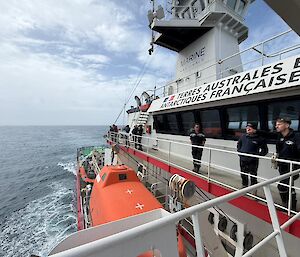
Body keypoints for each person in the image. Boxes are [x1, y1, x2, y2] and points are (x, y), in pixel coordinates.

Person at [275, 117, 300, 210]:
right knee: (288, 186)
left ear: (287, 125)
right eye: (276, 124)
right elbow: (279, 150)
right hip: (282, 166)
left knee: (283, 186)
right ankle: (288, 206)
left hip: (293, 166)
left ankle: (289, 207)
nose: (276, 126)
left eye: (279, 124)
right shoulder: (279, 136)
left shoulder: (296, 136)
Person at [237, 122, 268, 189]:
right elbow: (239, 145)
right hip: (243, 159)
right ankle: (244, 187)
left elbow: (264, 150)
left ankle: (254, 190)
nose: (248, 129)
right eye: (247, 127)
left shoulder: (260, 139)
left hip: (253, 160)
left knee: (253, 175)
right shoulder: (243, 137)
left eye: (250, 128)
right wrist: (240, 153)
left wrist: (256, 155)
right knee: (243, 174)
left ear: (254, 129)